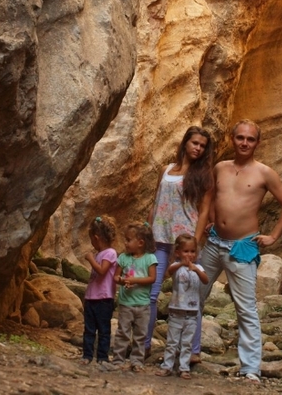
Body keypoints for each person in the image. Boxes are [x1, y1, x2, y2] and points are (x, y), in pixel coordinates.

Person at [193, 119, 282, 382]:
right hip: (214, 243)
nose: (244, 143)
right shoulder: (220, 168)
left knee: (246, 308)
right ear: (232, 138)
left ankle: (250, 367)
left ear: (257, 143)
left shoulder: (265, 173)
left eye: (250, 139)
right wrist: (212, 221)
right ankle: (188, 352)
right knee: (194, 297)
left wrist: (273, 236)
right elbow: (212, 197)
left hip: (243, 247)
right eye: (240, 138)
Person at [145, 126, 214, 357]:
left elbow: (204, 210)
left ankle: (192, 351)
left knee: (189, 296)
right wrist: (148, 231)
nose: (198, 148)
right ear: (185, 142)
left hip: (185, 243)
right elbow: (156, 202)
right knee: (152, 295)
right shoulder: (166, 170)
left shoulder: (204, 175)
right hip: (159, 240)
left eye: (203, 146)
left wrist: (194, 242)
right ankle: (143, 345)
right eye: (195, 143)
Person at [154, 234, 208, 380]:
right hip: (176, 310)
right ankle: (167, 366)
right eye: (186, 251)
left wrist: (195, 269)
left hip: (192, 312)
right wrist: (181, 264)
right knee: (172, 341)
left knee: (186, 342)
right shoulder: (175, 267)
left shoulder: (199, 267)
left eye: (192, 252)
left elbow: (205, 279)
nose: (189, 255)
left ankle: (184, 368)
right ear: (178, 252)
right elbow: (168, 273)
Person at [112, 222, 158, 371]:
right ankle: (118, 360)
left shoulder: (150, 259)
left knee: (140, 335)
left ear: (140, 243)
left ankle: (137, 361)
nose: (125, 243)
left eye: (128, 240)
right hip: (126, 303)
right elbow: (116, 277)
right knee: (122, 332)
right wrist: (123, 280)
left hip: (143, 304)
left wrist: (134, 280)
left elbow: (152, 278)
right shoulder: (123, 258)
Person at [80, 215, 118, 366]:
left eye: (91, 239)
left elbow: (102, 271)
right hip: (92, 298)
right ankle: (87, 355)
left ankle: (102, 356)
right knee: (89, 329)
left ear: (96, 238)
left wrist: (90, 259)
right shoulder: (99, 254)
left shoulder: (110, 253)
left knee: (103, 330)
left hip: (104, 298)